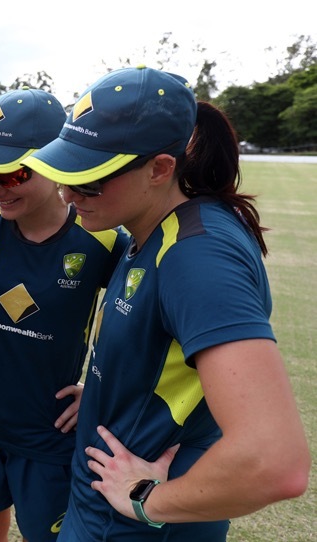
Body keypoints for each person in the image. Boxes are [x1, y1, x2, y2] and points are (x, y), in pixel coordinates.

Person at [21, 65, 311, 541]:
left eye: (90, 181)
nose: (69, 196)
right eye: (65, 174)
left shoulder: (197, 256)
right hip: (101, 513)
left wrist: (146, 500)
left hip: (131, 528)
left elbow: (275, 461)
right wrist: (106, 393)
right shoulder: (154, 228)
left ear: (159, 169)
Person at [0, 87, 129, 541]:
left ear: (53, 163)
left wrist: (97, 387)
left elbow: (132, 322)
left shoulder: (102, 239)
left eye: (12, 175)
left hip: (50, 435)